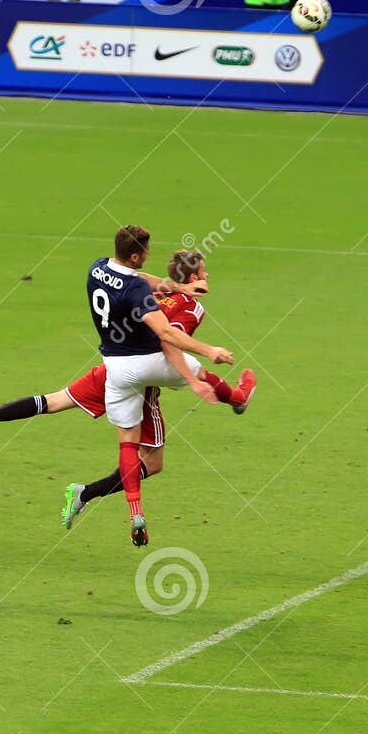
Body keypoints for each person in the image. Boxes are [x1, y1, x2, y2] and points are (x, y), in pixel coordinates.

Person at [0, 249, 257, 531]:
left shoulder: (149, 288)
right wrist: (197, 372)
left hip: (112, 369)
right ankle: (87, 493)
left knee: (54, 401)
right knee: (154, 461)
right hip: (141, 381)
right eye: (204, 272)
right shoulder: (190, 307)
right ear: (193, 279)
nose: (207, 276)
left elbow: (139, 280)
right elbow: (169, 343)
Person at [93, 227, 233, 546]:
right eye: (145, 252)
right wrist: (210, 351)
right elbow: (168, 336)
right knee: (193, 370)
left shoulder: (98, 267)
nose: (148, 255)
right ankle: (235, 396)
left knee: (125, 442)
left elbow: (138, 280)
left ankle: (134, 512)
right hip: (143, 363)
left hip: (112, 367)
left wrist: (174, 286)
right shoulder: (137, 292)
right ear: (135, 256)